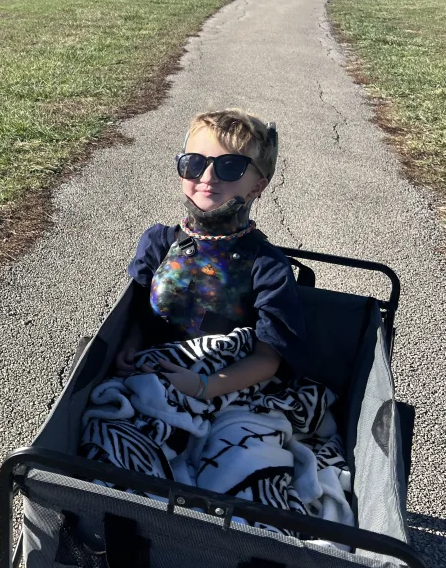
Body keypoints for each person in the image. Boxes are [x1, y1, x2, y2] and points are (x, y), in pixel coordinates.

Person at [116, 109, 306, 400]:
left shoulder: (266, 266)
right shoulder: (159, 243)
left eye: (230, 167)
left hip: (224, 386)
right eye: (194, 163)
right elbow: (136, 316)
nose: (206, 176)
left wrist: (205, 386)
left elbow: (268, 358)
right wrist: (130, 345)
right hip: (149, 374)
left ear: (258, 185)